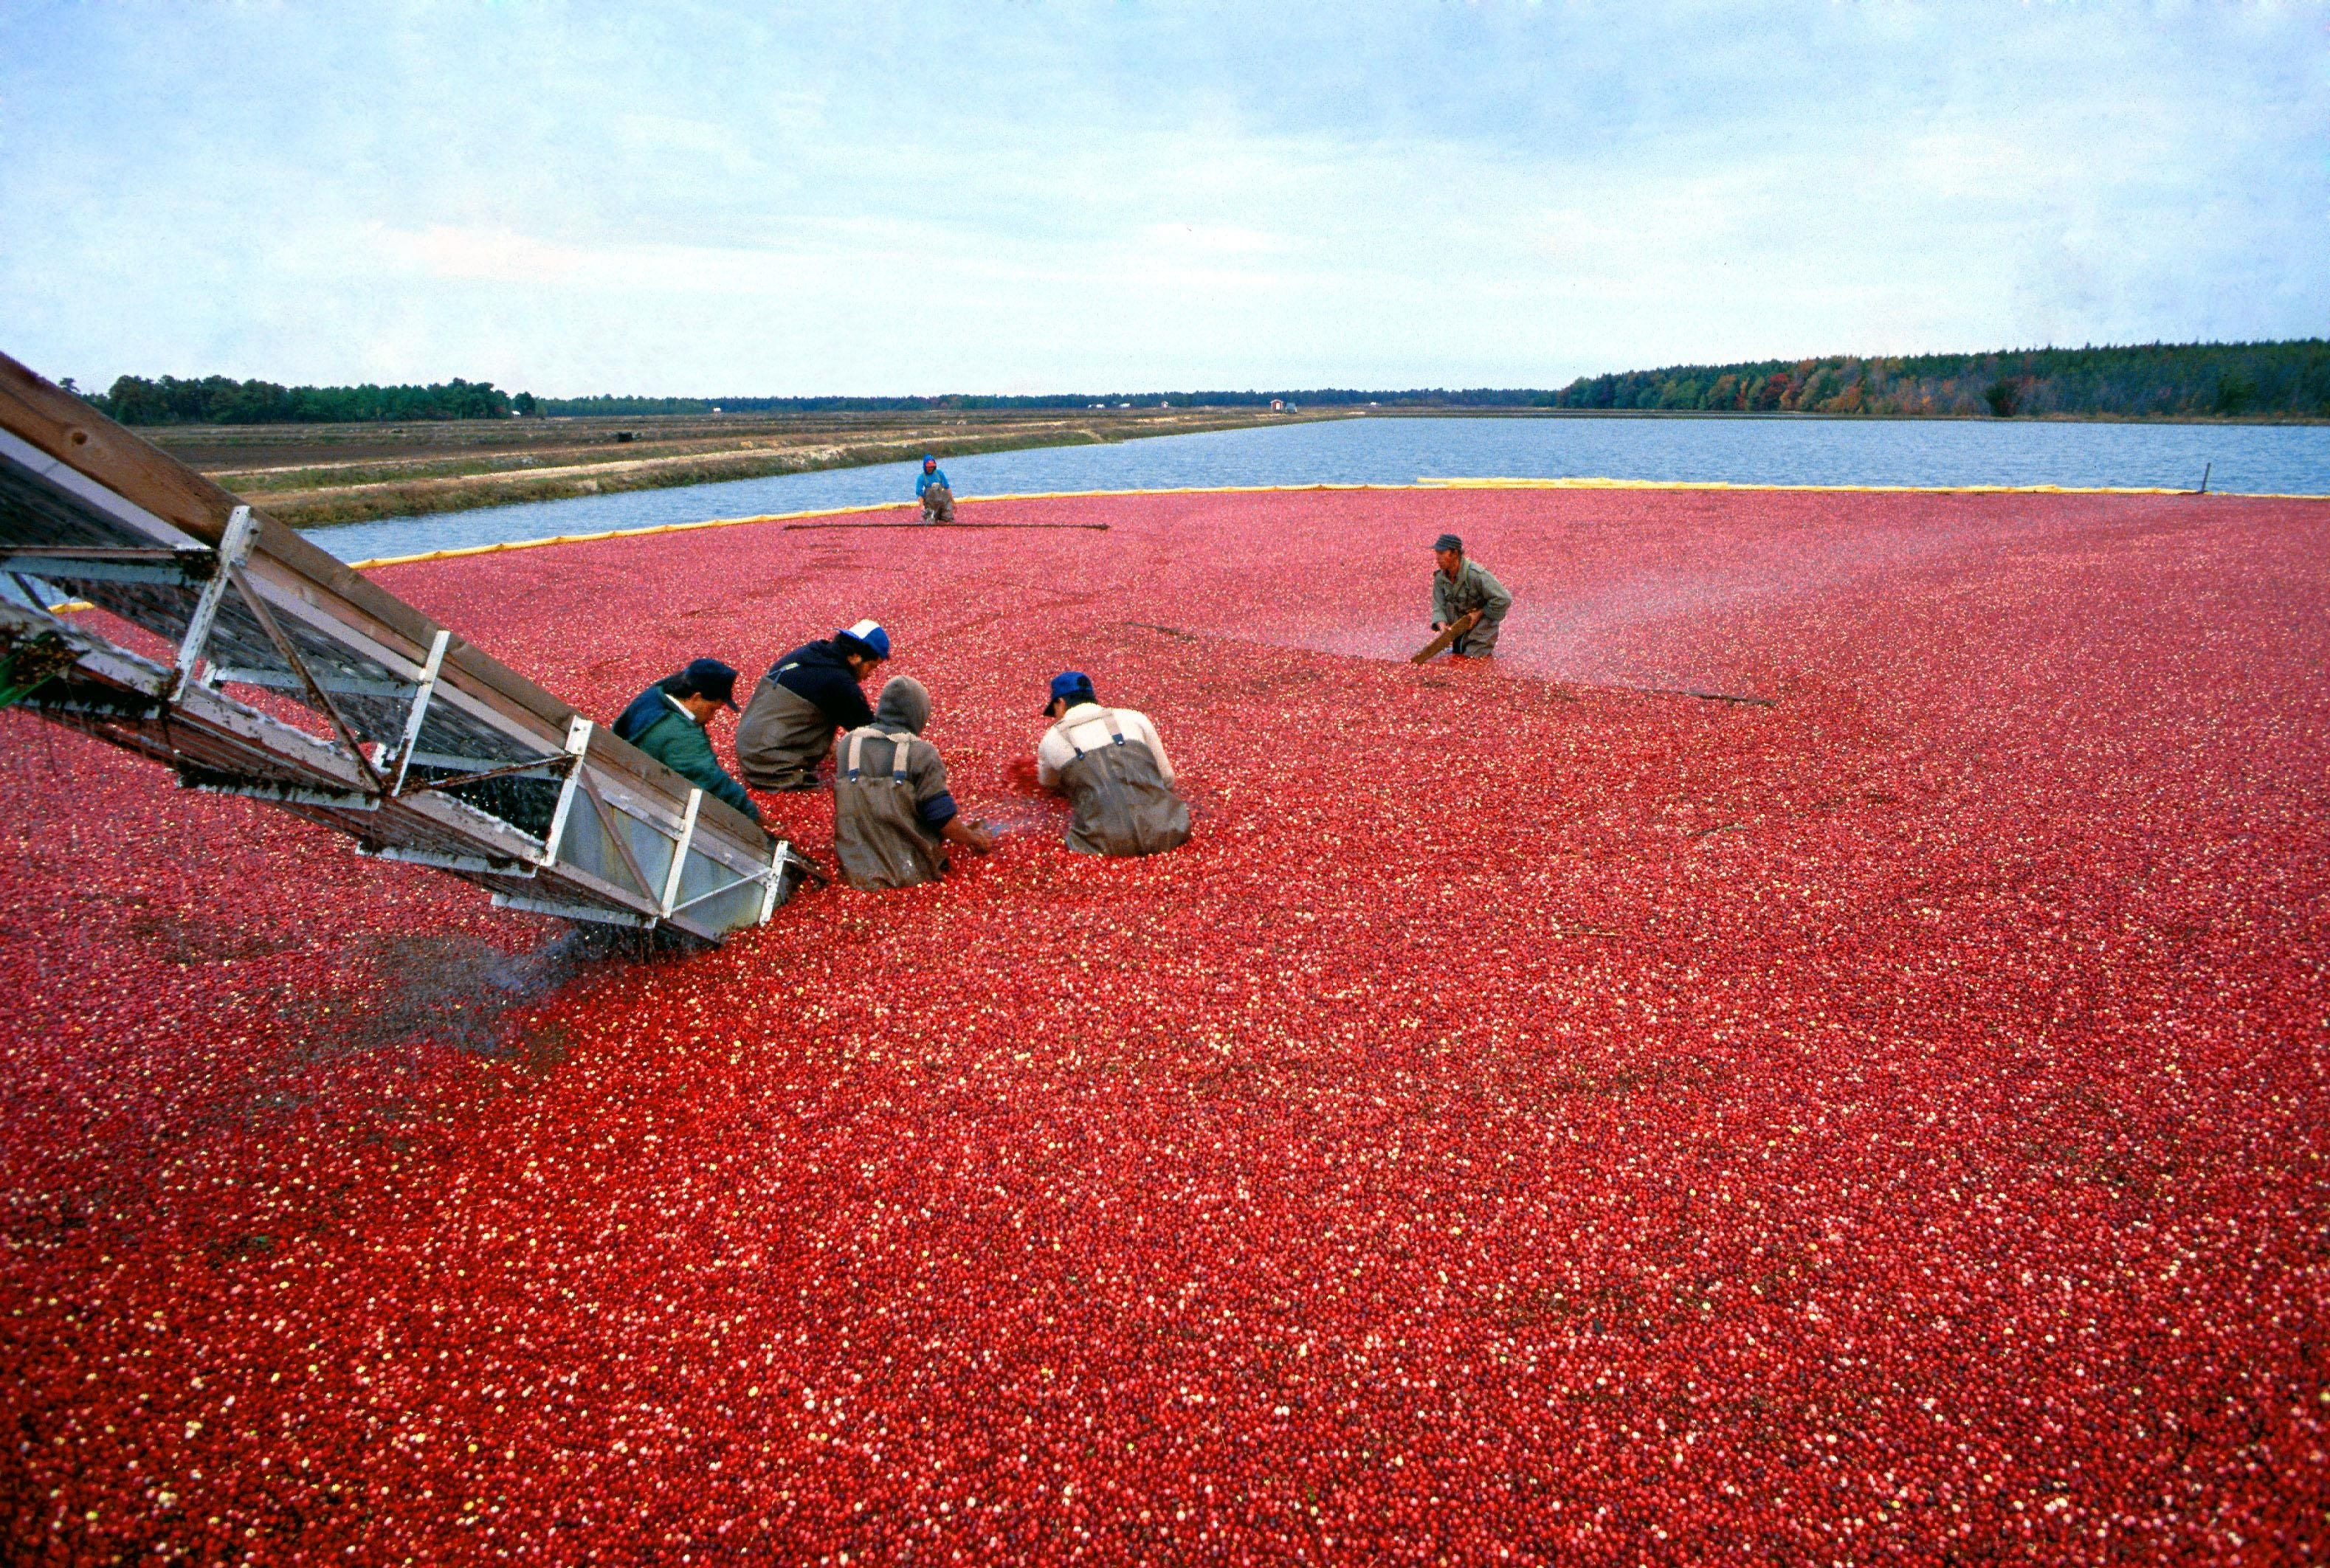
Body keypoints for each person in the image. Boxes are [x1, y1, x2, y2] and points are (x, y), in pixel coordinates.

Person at [832, 676, 993, 888]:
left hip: (855, 868)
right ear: (918, 714)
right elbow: (942, 820)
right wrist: (974, 839)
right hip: (908, 870)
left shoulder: (848, 744)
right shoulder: (921, 753)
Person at [1035, 671, 1190, 857]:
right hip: (1169, 829)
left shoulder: (1051, 739)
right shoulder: (1135, 718)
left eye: (1055, 711)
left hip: (1099, 843)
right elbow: (1167, 779)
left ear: (1061, 703)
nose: (1056, 718)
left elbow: (1048, 783)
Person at [735, 619, 890, 791]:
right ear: (855, 656)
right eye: (872, 667)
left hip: (747, 748)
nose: (870, 675)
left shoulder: (813, 653)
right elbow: (871, 732)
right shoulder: (839, 682)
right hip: (770, 768)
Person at [611, 657, 761, 822]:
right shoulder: (678, 733)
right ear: (696, 697)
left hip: (630, 776)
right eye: (713, 709)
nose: (712, 717)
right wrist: (752, 816)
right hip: (644, 801)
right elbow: (711, 782)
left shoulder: (658, 694)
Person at [1430, 533, 1512, 659]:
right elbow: (1438, 605)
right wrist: (1442, 627)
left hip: (1481, 632)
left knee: (1472, 662)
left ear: (1455, 554)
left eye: (1442, 554)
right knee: (1456, 659)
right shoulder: (1441, 578)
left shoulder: (1476, 575)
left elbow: (1504, 599)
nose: (1437, 558)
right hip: (1459, 631)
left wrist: (1479, 613)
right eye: (1437, 553)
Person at [916, 455, 954, 522]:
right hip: (931, 505)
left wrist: (953, 502)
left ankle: (945, 517)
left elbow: (947, 488)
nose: (930, 469)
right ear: (925, 467)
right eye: (928, 467)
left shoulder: (940, 474)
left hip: (943, 503)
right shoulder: (921, 478)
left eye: (932, 467)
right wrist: (921, 506)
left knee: (947, 519)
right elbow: (920, 494)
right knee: (931, 521)